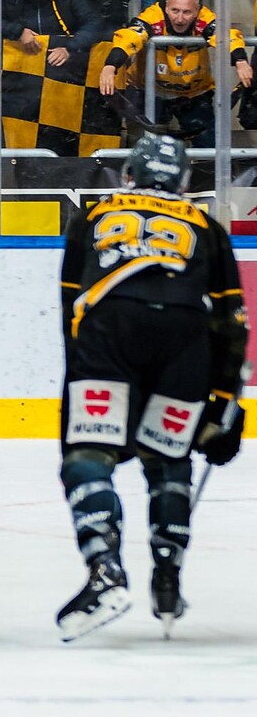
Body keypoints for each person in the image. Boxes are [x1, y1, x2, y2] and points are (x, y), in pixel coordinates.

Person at [53, 134, 245, 639]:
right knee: (169, 457)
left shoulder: (95, 215)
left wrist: (82, 373)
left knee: (87, 454)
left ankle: (104, 568)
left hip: (109, 327)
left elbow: (70, 301)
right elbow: (233, 321)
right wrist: (224, 401)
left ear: (131, 176)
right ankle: (167, 578)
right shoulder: (205, 225)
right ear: (182, 182)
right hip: (185, 336)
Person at [98, 0, 253, 142]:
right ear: (166, 6)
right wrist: (110, 66)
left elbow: (227, 35)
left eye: (187, 12)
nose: (179, 19)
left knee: (208, 145)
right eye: (175, 10)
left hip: (193, 92)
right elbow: (129, 38)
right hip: (148, 91)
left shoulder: (205, 17)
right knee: (144, 145)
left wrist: (240, 60)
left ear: (197, 9)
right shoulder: (152, 16)